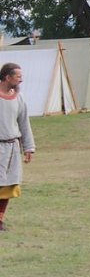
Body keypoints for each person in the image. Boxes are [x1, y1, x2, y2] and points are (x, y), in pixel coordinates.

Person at [0, 63, 36, 231]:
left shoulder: (18, 97)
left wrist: (29, 147)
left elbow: (24, 123)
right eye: (18, 76)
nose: (21, 79)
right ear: (7, 77)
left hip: (13, 147)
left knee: (9, 185)